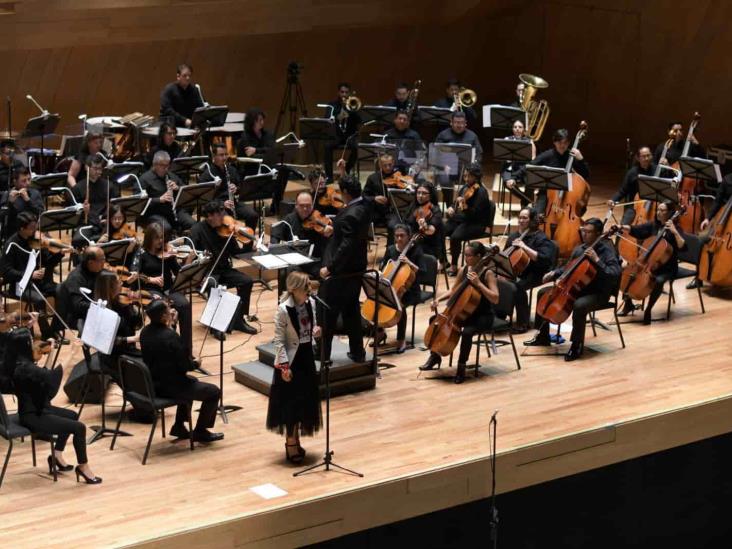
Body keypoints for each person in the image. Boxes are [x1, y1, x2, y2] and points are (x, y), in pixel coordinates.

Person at [8, 328, 101, 484]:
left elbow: (43, 375)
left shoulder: (19, 362)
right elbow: (51, 382)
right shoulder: (25, 368)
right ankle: (83, 467)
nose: (33, 343)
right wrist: (72, 353)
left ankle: (56, 455)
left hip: (37, 408)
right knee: (79, 428)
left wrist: (50, 353)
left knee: (72, 416)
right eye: (30, 341)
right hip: (34, 416)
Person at [525, 218, 621, 361]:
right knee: (542, 293)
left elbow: (614, 273)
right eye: (583, 231)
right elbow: (569, 267)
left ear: (598, 233)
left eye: (589, 232)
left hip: (598, 292)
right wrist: (555, 273)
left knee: (579, 305)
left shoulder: (607, 251)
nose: (585, 235)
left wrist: (597, 261)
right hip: (577, 288)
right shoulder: (580, 249)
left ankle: (577, 345)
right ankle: (542, 336)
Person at [140, 300, 223, 443]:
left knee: (193, 380)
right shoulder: (170, 337)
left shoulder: (145, 332)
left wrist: (172, 325)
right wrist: (196, 363)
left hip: (153, 383)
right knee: (214, 391)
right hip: (171, 387)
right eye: (168, 309)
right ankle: (200, 431)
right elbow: (185, 366)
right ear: (163, 316)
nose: (171, 310)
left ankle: (179, 426)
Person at [420, 241, 499, 384]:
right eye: (465, 255)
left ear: (479, 257)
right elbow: (453, 290)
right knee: (434, 320)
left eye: (469, 256)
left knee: (467, 333)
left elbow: (495, 298)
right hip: (463, 312)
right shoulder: (463, 270)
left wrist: (479, 284)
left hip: (482, 315)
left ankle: (461, 366)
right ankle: (435, 356)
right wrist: (438, 299)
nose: (466, 258)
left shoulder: (488, 273)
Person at [266, 271, 322, 464]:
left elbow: (311, 326)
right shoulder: (283, 310)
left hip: (306, 356)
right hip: (290, 361)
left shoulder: (311, 303)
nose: (309, 290)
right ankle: (290, 441)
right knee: (291, 402)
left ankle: (296, 438)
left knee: (304, 400)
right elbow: (279, 341)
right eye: (305, 287)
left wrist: (316, 331)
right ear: (294, 289)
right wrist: (284, 366)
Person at [318, 173, 370, 362]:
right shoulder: (362, 206)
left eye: (341, 191)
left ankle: (324, 356)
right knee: (351, 312)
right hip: (356, 270)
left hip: (341, 273)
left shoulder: (351, 213)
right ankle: (357, 352)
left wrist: (329, 268)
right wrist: (336, 229)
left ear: (347, 192)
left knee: (327, 314)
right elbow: (352, 235)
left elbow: (347, 246)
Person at [191, 201, 257, 334]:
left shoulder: (226, 230)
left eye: (223, 214)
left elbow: (236, 253)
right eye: (219, 215)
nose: (223, 218)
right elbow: (192, 256)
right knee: (213, 284)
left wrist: (248, 244)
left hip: (224, 269)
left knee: (247, 281)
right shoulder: (197, 230)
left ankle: (239, 320)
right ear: (210, 216)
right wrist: (199, 275)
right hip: (207, 272)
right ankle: (215, 325)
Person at [615, 200, 686, 324]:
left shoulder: (676, 229)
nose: (658, 212)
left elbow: (683, 247)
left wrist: (674, 232)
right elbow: (636, 229)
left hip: (667, 268)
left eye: (662, 210)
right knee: (629, 272)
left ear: (670, 213)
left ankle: (648, 310)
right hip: (649, 265)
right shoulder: (654, 226)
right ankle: (628, 304)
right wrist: (621, 227)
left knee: (658, 281)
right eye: (658, 210)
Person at [135, 223, 195, 358]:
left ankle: (186, 351)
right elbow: (135, 275)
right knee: (161, 307)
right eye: (157, 238)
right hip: (150, 290)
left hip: (169, 289)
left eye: (162, 238)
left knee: (185, 306)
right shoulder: (141, 254)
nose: (160, 241)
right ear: (149, 238)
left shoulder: (168, 253)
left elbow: (179, 273)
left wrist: (189, 260)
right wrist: (151, 279)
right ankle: (164, 349)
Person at [0, 212, 62, 339]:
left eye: (36, 226)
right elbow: (6, 271)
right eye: (32, 228)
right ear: (22, 228)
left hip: (39, 283)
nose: (36, 230)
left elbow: (47, 262)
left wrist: (59, 253)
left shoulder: (35, 241)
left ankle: (55, 327)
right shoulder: (11, 245)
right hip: (19, 286)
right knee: (39, 300)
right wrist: (29, 275)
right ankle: (46, 332)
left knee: (62, 290)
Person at [507, 128, 588, 215]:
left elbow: (585, 174)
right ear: (554, 142)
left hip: (566, 194)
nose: (562, 145)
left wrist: (581, 159)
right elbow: (529, 166)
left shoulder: (572, 157)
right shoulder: (547, 155)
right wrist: (514, 178)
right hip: (546, 194)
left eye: (565, 143)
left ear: (569, 143)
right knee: (537, 216)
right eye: (559, 142)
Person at [501, 208, 556, 332]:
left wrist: (524, 247)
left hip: (537, 271)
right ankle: (500, 315)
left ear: (532, 221)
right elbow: (505, 256)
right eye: (519, 217)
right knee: (498, 281)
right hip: (517, 270)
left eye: (524, 218)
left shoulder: (541, 238)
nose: (521, 220)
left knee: (518, 287)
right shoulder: (514, 236)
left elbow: (544, 259)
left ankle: (523, 323)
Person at [377, 224, 424, 353]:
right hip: (390, 285)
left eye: (402, 236)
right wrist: (381, 272)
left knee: (399, 307)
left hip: (409, 290)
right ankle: (380, 332)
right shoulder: (391, 249)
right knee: (376, 301)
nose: (399, 238)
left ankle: (401, 340)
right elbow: (383, 266)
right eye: (396, 235)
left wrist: (409, 263)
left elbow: (423, 272)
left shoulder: (416, 250)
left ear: (409, 237)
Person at [444, 163, 493, 276]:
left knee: (455, 237)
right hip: (463, 220)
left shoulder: (481, 192)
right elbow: (455, 203)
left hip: (476, 223)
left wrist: (465, 206)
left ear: (476, 177)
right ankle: (443, 261)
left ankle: (454, 265)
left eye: (468, 176)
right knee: (442, 230)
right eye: (465, 176)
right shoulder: (465, 187)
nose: (466, 179)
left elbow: (475, 215)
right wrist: (452, 207)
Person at [93, 271, 142, 380]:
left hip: (127, 348)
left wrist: (136, 305)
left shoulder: (119, 302)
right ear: (109, 288)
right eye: (119, 282)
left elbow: (137, 325)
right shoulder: (102, 311)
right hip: (114, 356)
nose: (122, 284)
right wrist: (133, 338)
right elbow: (107, 342)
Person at [270, 191, 332, 278]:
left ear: (312, 205)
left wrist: (328, 234)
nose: (305, 209)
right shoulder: (290, 219)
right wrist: (274, 244)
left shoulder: (319, 219)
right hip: (296, 261)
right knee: (292, 272)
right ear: (296, 206)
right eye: (302, 206)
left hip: (315, 260)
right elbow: (276, 233)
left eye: (308, 206)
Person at [199, 142, 259, 229]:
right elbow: (205, 200)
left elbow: (240, 187)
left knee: (252, 215)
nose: (224, 158)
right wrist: (222, 204)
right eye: (221, 155)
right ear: (214, 156)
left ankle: (247, 242)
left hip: (233, 203)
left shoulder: (231, 170)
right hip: (217, 208)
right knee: (228, 221)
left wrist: (236, 188)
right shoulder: (207, 175)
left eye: (226, 154)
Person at [139, 150, 195, 233]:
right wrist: (159, 199)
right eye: (163, 166)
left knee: (193, 224)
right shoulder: (144, 180)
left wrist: (178, 188)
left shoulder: (171, 176)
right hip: (155, 213)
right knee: (166, 228)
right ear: (155, 164)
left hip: (174, 211)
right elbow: (139, 203)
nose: (166, 169)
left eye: (167, 165)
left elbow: (186, 191)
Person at [55, 246, 106, 331]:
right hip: (80, 316)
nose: (104, 262)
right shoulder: (76, 278)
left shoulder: (95, 270)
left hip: (96, 310)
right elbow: (78, 305)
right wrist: (100, 306)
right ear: (91, 262)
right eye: (101, 259)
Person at [607, 146, 659, 225]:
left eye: (648, 155)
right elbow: (623, 190)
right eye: (644, 156)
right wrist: (613, 200)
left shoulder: (658, 170)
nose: (647, 158)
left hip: (654, 205)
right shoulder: (632, 173)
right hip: (635, 206)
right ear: (638, 158)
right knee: (623, 226)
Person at [323, 82, 361, 181]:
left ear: (349, 93)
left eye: (346, 92)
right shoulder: (332, 105)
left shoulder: (353, 103)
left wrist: (352, 112)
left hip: (349, 135)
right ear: (338, 92)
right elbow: (327, 118)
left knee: (356, 148)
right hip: (337, 135)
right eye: (342, 92)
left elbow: (360, 120)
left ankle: (346, 171)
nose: (344, 94)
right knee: (327, 146)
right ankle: (329, 176)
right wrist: (338, 117)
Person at [70, 153, 119, 229]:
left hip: (106, 222)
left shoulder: (109, 185)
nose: (99, 172)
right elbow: (74, 214)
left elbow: (115, 207)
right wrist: (83, 210)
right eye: (95, 168)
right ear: (87, 167)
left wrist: (107, 218)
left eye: (100, 168)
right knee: (78, 240)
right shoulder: (78, 188)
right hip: (86, 224)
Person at [362, 152, 402, 242]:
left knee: (393, 226)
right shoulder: (373, 178)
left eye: (390, 165)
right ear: (380, 165)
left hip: (392, 213)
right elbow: (364, 196)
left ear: (393, 163)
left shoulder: (399, 177)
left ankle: (390, 251)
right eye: (385, 165)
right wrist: (374, 198)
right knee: (361, 221)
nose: (388, 168)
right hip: (376, 212)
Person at [499, 119, 536, 206]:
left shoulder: (529, 141)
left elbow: (533, 157)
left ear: (523, 129)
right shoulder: (507, 139)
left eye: (520, 127)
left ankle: (525, 205)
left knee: (531, 182)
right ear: (512, 129)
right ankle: (528, 201)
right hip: (509, 169)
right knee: (507, 183)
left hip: (523, 169)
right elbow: (502, 156)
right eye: (515, 127)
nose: (517, 129)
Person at [0, 167, 44, 238]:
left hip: (34, 232)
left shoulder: (35, 193)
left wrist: (28, 201)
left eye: (29, 179)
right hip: (14, 234)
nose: (27, 183)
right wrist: (10, 203)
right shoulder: (7, 195)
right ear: (15, 182)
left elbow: (41, 213)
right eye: (23, 181)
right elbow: (2, 218)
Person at [406, 182, 444, 260]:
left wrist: (425, 227)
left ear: (430, 195)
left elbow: (431, 230)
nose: (420, 196)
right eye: (418, 192)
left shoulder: (436, 210)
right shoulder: (413, 206)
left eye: (424, 193)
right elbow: (406, 222)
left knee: (413, 252)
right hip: (413, 239)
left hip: (428, 244)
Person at [159, 63, 203, 128]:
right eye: (184, 75)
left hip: (189, 126)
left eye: (189, 75)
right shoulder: (169, 89)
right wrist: (184, 120)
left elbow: (200, 108)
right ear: (178, 76)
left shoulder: (194, 90)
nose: (188, 78)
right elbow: (167, 110)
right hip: (170, 126)